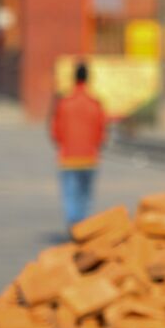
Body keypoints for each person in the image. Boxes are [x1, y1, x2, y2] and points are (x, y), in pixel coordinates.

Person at [49, 61, 107, 231]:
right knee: (85, 197)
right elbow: (101, 132)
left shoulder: (64, 103)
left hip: (68, 158)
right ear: (88, 78)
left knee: (71, 197)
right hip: (89, 158)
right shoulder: (94, 103)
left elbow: (56, 132)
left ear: (74, 78)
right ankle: (83, 229)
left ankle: (74, 227)